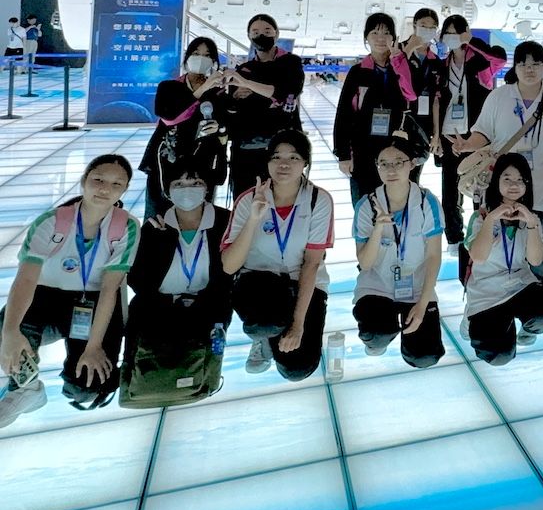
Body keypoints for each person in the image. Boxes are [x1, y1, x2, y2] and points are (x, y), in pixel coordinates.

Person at [0, 155, 140, 425]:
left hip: (93, 302)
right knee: (4, 333)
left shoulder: (126, 226)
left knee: (88, 385)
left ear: (124, 190)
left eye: (116, 184)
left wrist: (94, 346)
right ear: (84, 180)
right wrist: (10, 331)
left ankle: (78, 374)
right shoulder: (52, 222)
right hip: (45, 296)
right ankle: (27, 389)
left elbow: (110, 289)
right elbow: (26, 280)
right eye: (98, 180)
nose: (105, 189)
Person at [223, 130, 333, 380]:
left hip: (301, 279)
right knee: (265, 323)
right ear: (268, 161)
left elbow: (311, 263)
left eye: (293, 158)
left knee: (297, 368)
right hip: (258, 281)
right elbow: (229, 267)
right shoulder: (248, 199)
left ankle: (272, 333)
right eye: (276, 157)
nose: (284, 164)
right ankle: (264, 335)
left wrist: (298, 325)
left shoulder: (318, 200)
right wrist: (253, 219)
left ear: (305, 163)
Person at [123, 164, 232, 386]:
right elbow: (137, 282)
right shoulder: (155, 226)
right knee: (157, 362)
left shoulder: (225, 221)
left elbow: (230, 273)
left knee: (196, 359)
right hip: (159, 307)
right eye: (179, 184)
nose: (187, 189)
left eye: (196, 183)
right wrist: (161, 244)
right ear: (168, 190)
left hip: (207, 307)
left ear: (207, 188)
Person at [352, 138, 446, 367]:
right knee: (376, 332)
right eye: (383, 164)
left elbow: (434, 256)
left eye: (398, 162)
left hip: (416, 284)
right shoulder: (367, 205)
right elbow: (365, 263)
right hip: (377, 283)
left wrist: (422, 304)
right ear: (377, 166)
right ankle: (377, 343)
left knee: (424, 355)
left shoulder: (427, 202)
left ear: (412, 164)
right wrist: (378, 228)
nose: (391, 170)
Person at [454, 41, 543, 215]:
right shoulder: (498, 97)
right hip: (499, 187)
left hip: (538, 191)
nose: (529, 69)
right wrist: (468, 145)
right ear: (515, 68)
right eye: (523, 64)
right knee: (496, 229)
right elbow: (483, 132)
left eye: (535, 64)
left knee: (533, 229)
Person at [463, 154, 543, 364]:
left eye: (520, 180)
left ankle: (516, 323)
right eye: (507, 178)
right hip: (487, 292)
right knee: (498, 356)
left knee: (542, 317)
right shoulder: (481, 218)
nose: (514, 185)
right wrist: (492, 218)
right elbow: (478, 257)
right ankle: (479, 321)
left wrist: (531, 223)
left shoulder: (531, 219)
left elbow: (535, 260)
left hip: (520, 284)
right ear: (497, 181)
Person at [431, 14, 504, 260]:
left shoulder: (479, 62)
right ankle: (454, 238)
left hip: (476, 135)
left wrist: (471, 41)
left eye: (457, 32)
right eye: (448, 33)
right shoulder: (442, 66)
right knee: (450, 188)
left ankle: (481, 230)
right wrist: (436, 135)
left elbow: (499, 59)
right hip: (449, 134)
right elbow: (437, 102)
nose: (452, 37)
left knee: (479, 184)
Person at [139, 37, 229, 217]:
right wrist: (203, 88)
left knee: (199, 216)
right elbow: (169, 117)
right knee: (159, 216)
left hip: (202, 164)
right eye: (196, 53)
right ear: (187, 58)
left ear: (213, 61)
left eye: (207, 55)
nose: (201, 58)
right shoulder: (168, 87)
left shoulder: (218, 93)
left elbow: (225, 126)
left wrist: (218, 128)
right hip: (167, 161)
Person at [334, 13, 417, 203]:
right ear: (366, 37)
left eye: (386, 33)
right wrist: (343, 154)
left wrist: (399, 61)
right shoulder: (358, 72)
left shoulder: (403, 66)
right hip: (363, 148)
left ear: (394, 38)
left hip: (395, 147)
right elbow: (344, 114)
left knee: (396, 201)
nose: (381, 39)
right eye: (375, 33)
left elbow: (411, 95)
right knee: (364, 201)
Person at [224, 14, 305, 197]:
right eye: (255, 32)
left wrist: (249, 85)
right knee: (245, 199)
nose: (261, 35)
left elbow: (287, 92)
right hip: (246, 151)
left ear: (276, 34)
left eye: (267, 31)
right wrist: (235, 97)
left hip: (282, 147)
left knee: (283, 198)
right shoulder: (244, 69)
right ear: (249, 36)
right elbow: (235, 107)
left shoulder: (290, 62)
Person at [399, 7, 443, 180]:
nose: (427, 30)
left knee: (414, 175)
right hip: (399, 120)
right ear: (415, 25)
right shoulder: (400, 50)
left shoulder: (435, 61)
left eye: (432, 27)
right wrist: (409, 48)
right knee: (395, 169)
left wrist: (436, 134)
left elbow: (436, 100)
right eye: (423, 25)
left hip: (422, 125)